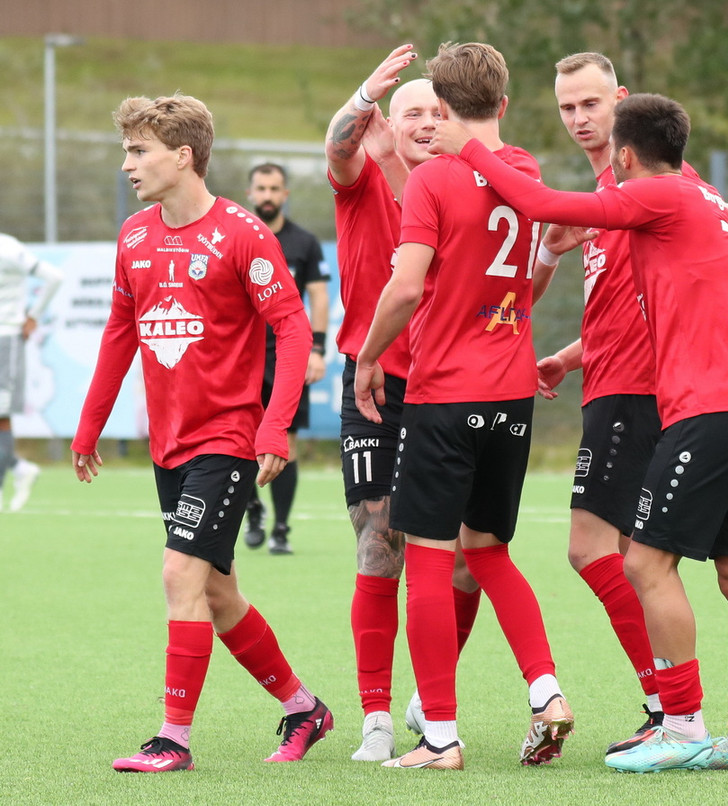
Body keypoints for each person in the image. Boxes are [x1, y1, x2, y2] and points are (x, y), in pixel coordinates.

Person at [430, 92, 728, 773]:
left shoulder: (657, 194)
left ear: (624, 156)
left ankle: (680, 725)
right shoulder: (710, 204)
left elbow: (539, 203)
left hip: (705, 411)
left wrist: (465, 146)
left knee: (645, 563)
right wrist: (572, 354)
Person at [71, 93, 332, 772]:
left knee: (178, 573)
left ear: (183, 156)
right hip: (170, 444)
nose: (127, 164)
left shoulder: (243, 233)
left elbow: (293, 329)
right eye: (127, 151)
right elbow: (120, 332)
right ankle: (304, 708)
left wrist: (274, 427)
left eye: (139, 151)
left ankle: (173, 740)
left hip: (227, 437)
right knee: (217, 593)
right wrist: (89, 425)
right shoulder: (134, 236)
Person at [355, 41, 574, 771]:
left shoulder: (433, 180)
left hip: (446, 394)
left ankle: (441, 737)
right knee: (489, 553)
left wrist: (367, 357)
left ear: (443, 107)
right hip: (512, 397)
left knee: (427, 560)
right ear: (503, 104)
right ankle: (545, 691)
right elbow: (524, 273)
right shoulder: (525, 169)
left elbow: (405, 288)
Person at [531, 53, 728, 756]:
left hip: (639, 388)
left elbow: (709, 220)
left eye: (591, 103)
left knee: (593, 548)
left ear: (620, 102)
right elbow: (631, 303)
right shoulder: (607, 195)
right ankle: (676, 710)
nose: (578, 118)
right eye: (567, 107)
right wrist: (571, 354)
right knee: (633, 554)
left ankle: (667, 705)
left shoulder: (653, 185)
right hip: (609, 379)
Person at [325, 44, 482, 762]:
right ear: (387, 124)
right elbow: (338, 145)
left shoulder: (468, 188)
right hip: (376, 389)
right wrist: (363, 99)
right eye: (410, 112)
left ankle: (431, 695)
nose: (424, 122)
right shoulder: (361, 179)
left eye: (437, 112)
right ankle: (377, 717)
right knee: (379, 541)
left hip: (451, 387)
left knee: (462, 558)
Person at [243, 162, 331, 554]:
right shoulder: (240, 237)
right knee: (241, 439)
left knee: (286, 442)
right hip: (244, 358)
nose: (267, 195)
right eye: (261, 188)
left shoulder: (304, 242)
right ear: (250, 193)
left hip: (287, 357)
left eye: (274, 188)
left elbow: (319, 296)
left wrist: (317, 350)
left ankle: (280, 529)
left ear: (285, 194)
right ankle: (252, 511)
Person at [0, 234, 63, 511]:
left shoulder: (8, 248)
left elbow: (54, 277)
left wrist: (33, 315)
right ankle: (20, 468)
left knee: (1, 417)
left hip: (6, 339)